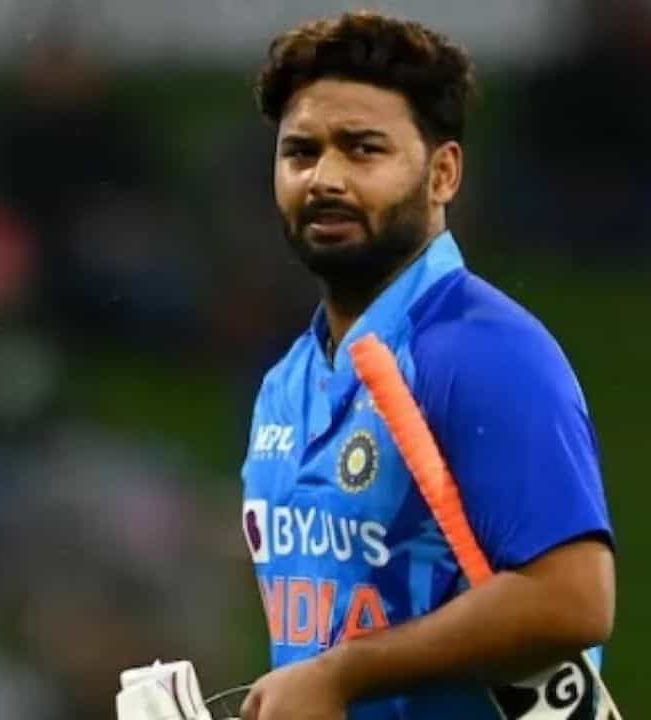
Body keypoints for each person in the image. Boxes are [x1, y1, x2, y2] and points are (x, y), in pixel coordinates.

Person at [237, 11, 616, 720]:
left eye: (363, 149)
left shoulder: (484, 352)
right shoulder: (285, 384)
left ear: (442, 173)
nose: (325, 179)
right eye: (301, 153)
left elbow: (572, 599)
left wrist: (342, 675)